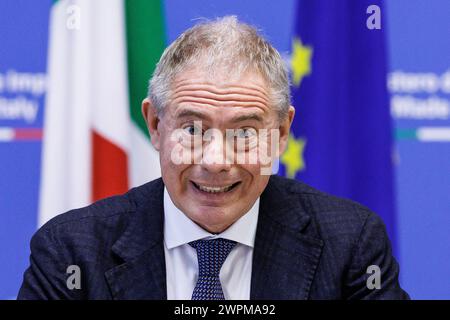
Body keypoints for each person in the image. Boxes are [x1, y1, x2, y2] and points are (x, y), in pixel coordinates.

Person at [18, 16, 409, 300]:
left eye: (244, 132)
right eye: (192, 129)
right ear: (155, 125)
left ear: (282, 134)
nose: (217, 160)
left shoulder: (350, 245)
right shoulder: (72, 252)